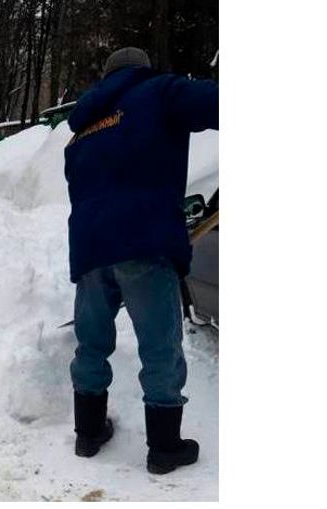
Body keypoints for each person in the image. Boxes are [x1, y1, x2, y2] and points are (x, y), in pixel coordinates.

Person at [63, 47, 218, 474]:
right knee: (160, 346)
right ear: (142, 70)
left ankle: (88, 433)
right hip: (142, 244)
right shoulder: (159, 93)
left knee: (91, 344)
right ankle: (165, 447)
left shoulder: (81, 131)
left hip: (91, 250)